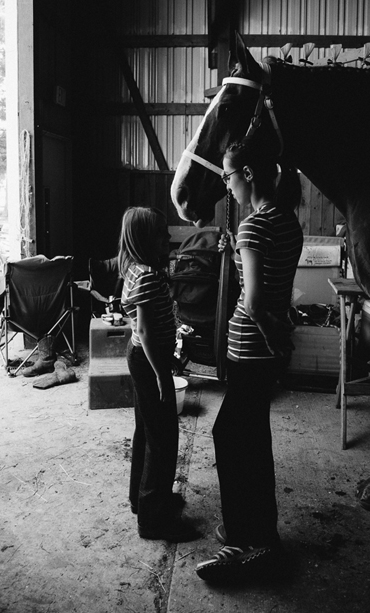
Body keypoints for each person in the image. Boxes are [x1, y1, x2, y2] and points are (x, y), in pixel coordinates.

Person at [194, 136, 303, 583]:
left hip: (252, 348)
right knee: (250, 436)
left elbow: (255, 302)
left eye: (228, 176)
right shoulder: (286, 221)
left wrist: (275, 337)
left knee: (236, 438)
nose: (227, 185)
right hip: (265, 352)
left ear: (249, 175)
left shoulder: (254, 227)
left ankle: (251, 541)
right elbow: (276, 289)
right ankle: (255, 531)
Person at [119, 206, 199, 542]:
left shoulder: (137, 270)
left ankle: (143, 499)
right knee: (163, 439)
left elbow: (143, 323)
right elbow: (149, 334)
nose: (168, 238)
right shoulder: (149, 275)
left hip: (141, 357)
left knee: (147, 429)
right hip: (150, 360)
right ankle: (154, 520)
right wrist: (163, 377)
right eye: (162, 234)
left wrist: (173, 329)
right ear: (145, 240)